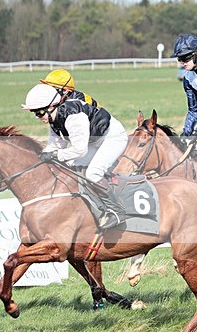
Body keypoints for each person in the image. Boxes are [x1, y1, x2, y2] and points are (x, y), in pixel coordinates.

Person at [22, 83, 127, 229]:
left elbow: (79, 150)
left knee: (93, 173)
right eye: (35, 113)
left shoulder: (73, 117)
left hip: (113, 138)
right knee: (72, 167)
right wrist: (40, 157)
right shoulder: (54, 119)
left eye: (39, 113)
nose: (37, 117)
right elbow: (55, 145)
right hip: (94, 142)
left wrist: (55, 154)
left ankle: (117, 211)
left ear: (51, 106)